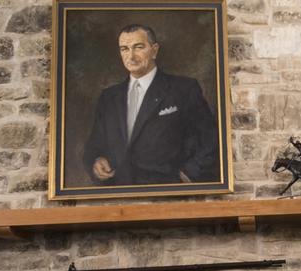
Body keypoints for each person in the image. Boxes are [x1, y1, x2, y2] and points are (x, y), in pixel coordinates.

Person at [83, 24, 219, 186]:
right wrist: (96, 161)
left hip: (168, 190)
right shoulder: (108, 97)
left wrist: (188, 175)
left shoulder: (184, 89)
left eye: (138, 47)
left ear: (154, 50)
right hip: (119, 191)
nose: (131, 56)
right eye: (124, 49)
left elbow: (211, 139)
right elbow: (95, 145)